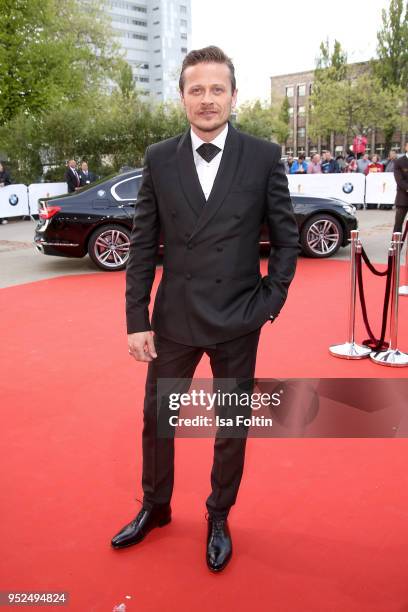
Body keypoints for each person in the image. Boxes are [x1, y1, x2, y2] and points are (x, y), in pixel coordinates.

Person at [110, 46, 299, 573]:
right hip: (174, 319)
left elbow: (286, 240)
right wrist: (136, 320)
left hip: (239, 317)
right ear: (182, 98)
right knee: (157, 418)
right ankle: (156, 505)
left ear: (234, 96)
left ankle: (219, 513)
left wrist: (269, 302)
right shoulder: (158, 158)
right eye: (197, 89)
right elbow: (143, 246)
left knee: (230, 424)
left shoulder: (264, 155)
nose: (208, 99)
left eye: (218, 89)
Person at [393, 142, 408, 233]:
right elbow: (399, 180)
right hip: (403, 198)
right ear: (406, 147)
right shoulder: (399, 162)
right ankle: (395, 246)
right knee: (398, 225)